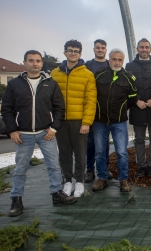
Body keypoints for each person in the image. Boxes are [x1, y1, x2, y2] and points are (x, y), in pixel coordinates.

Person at [1, 50, 76, 217]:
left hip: (45, 133)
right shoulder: (15, 84)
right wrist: (12, 130)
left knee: (53, 165)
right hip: (23, 135)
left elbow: (59, 107)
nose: (35, 63)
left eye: (38, 61)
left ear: (42, 63)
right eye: (31, 60)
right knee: (20, 168)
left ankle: (56, 193)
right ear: (24, 63)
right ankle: (16, 199)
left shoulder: (50, 83)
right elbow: (6, 109)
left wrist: (54, 128)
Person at [50, 40, 97, 198]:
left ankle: (80, 181)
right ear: (64, 52)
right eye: (70, 50)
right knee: (64, 152)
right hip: (60, 120)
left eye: (76, 51)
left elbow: (91, 100)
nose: (73, 53)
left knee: (80, 152)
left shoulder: (87, 74)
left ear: (80, 54)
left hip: (79, 121)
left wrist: (86, 122)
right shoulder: (54, 73)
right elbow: (49, 98)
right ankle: (68, 180)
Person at [91, 49, 137, 192]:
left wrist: (122, 109)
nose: (117, 62)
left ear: (123, 61)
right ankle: (102, 178)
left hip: (119, 122)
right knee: (99, 151)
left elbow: (133, 97)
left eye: (120, 60)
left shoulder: (128, 77)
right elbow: (91, 94)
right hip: (100, 121)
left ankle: (124, 180)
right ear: (109, 60)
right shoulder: (99, 75)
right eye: (114, 59)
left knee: (122, 152)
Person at [125, 38, 151, 178]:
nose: (144, 49)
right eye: (142, 47)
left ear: (150, 49)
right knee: (139, 139)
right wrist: (136, 100)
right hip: (137, 109)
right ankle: (141, 165)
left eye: (147, 47)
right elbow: (127, 87)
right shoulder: (129, 66)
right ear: (137, 49)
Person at [84, 39, 111, 183]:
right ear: (94, 49)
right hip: (90, 109)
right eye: (98, 48)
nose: (100, 50)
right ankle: (89, 169)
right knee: (90, 142)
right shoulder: (87, 66)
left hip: (105, 111)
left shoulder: (110, 65)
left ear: (106, 50)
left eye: (103, 48)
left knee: (104, 142)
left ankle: (104, 168)